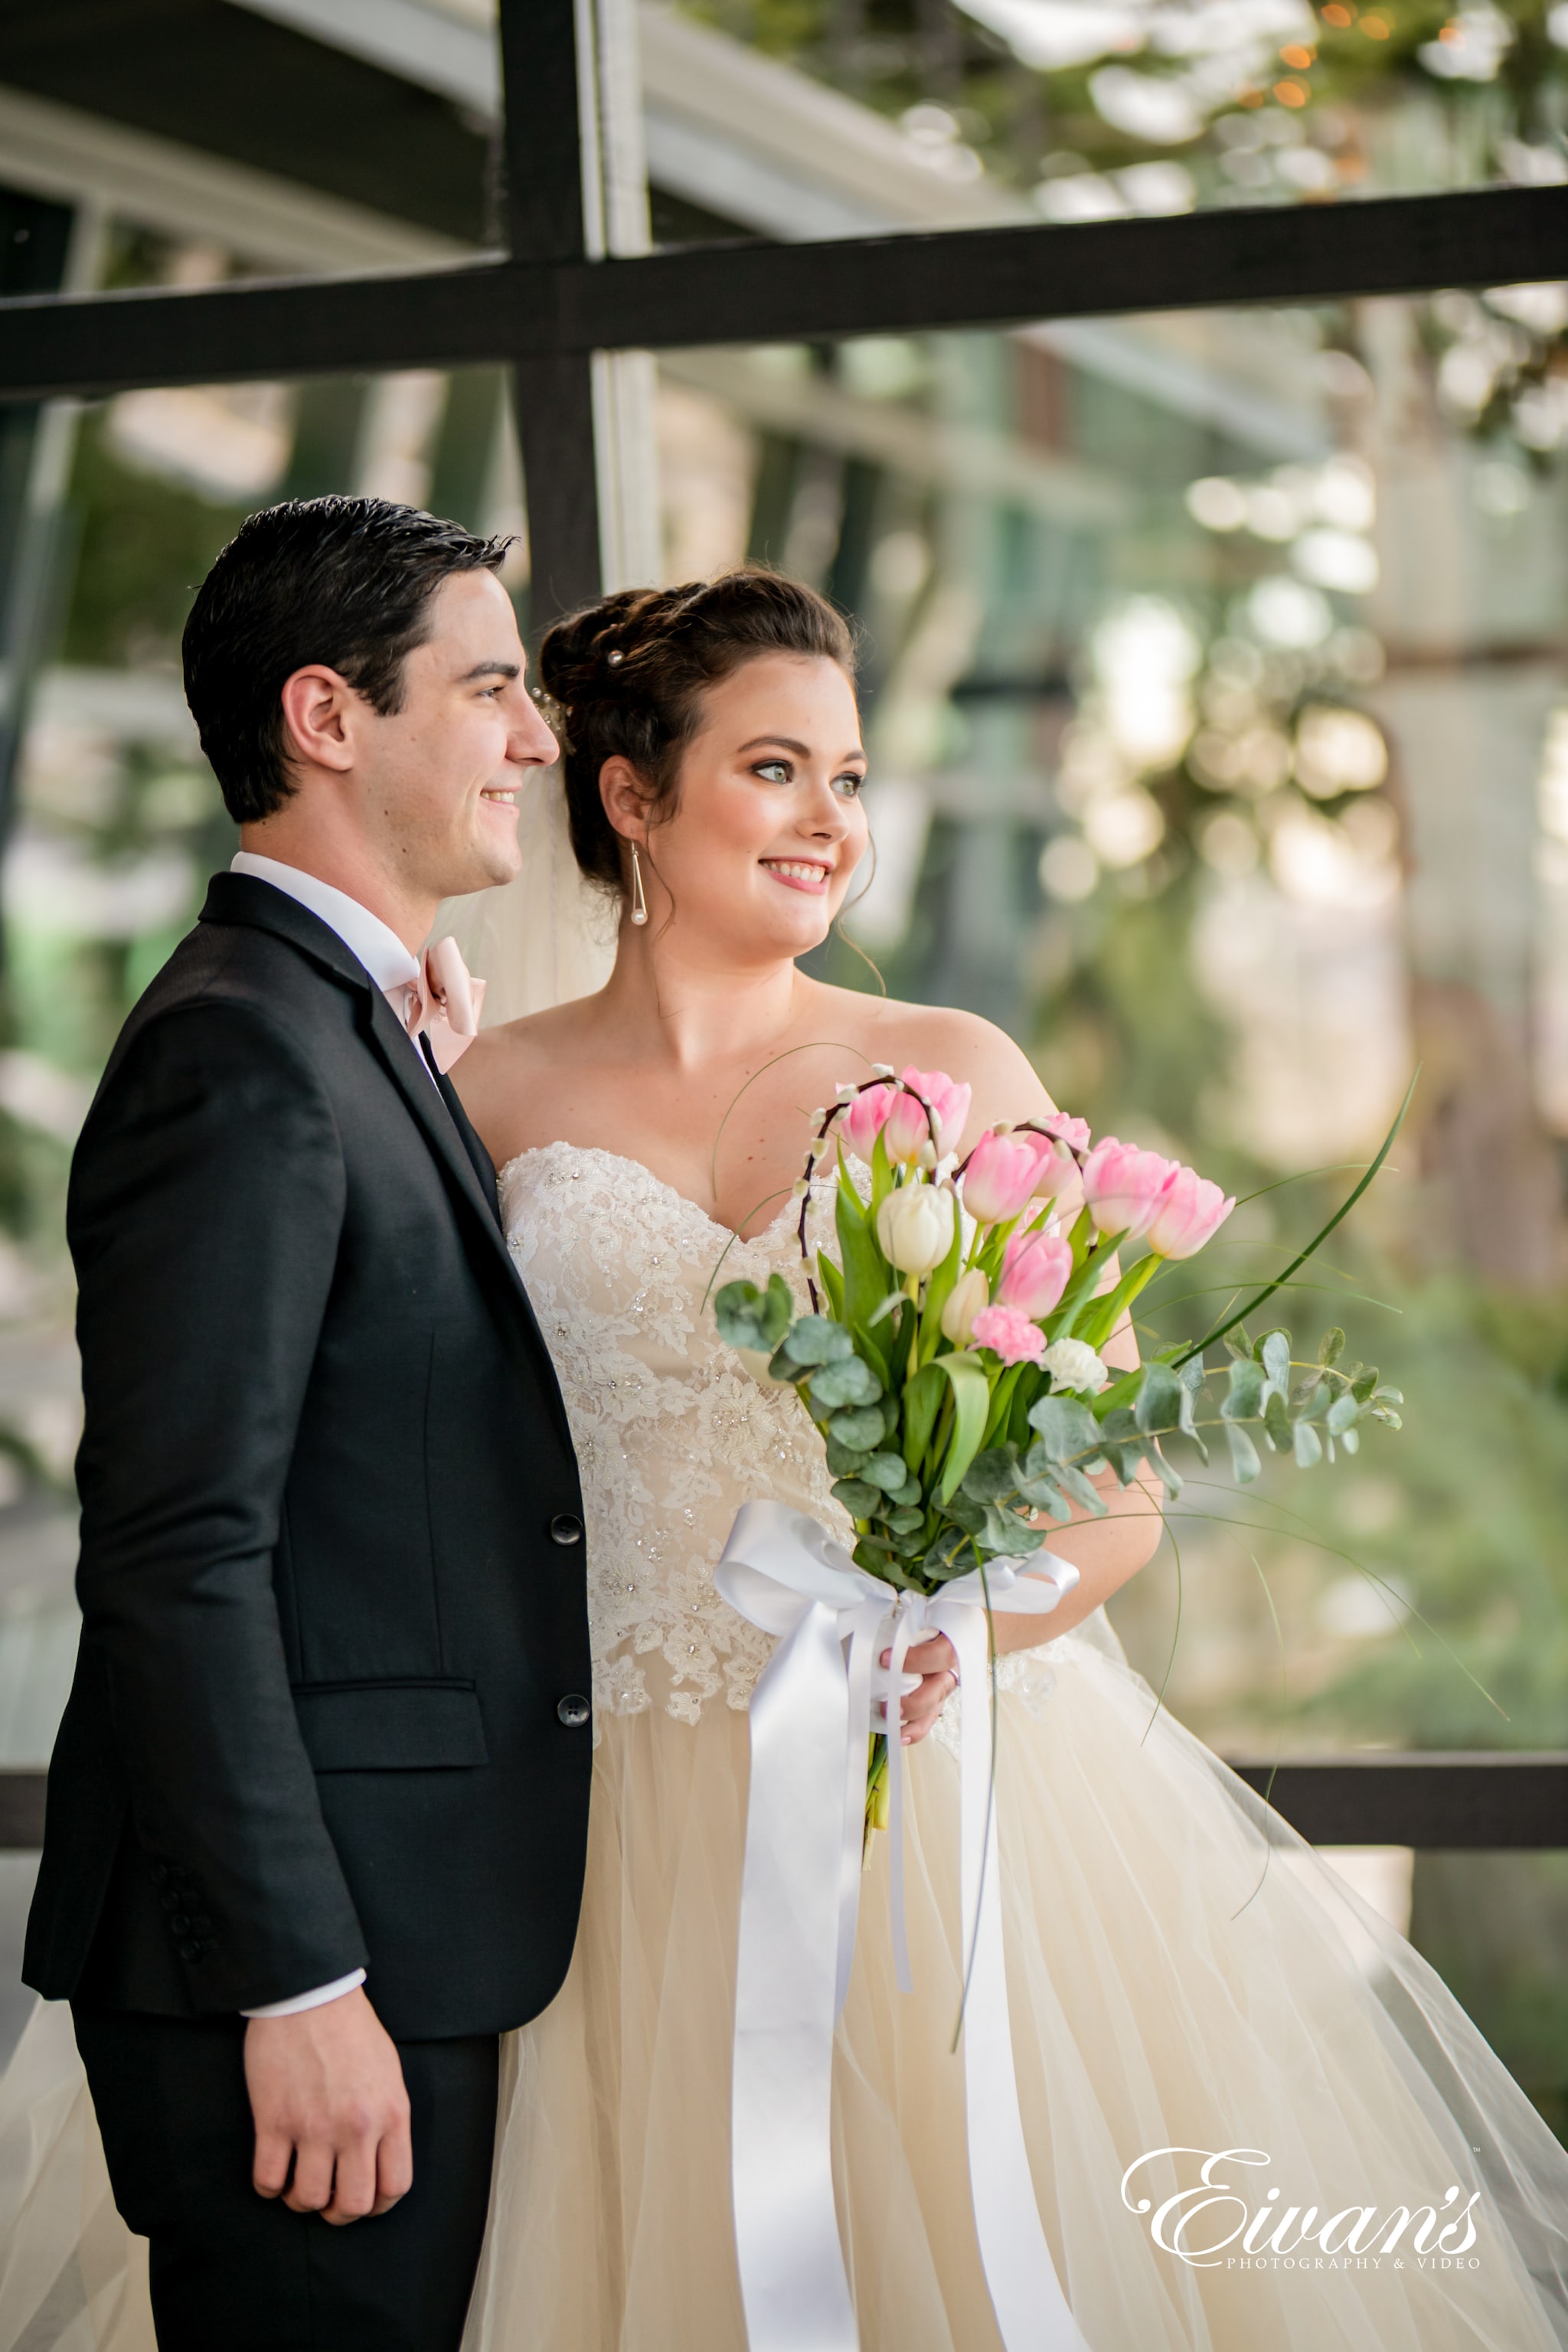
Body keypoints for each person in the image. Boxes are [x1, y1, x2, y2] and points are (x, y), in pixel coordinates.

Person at [446, 569, 1568, 2350]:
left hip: (939, 1765)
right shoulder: (481, 1095)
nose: (830, 821)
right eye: (775, 769)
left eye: (852, 776)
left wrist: (933, 1635)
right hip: (604, 1805)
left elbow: (1106, 1487)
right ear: (631, 796)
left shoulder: (947, 1067)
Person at [7, 497, 592, 2351]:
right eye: (492, 688)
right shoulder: (238, 1049)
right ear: (330, 717)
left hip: (402, 1929)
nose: (536, 737)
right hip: (306, 1969)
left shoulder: (345, 1025)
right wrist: (299, 1982)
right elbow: (180, 1555)